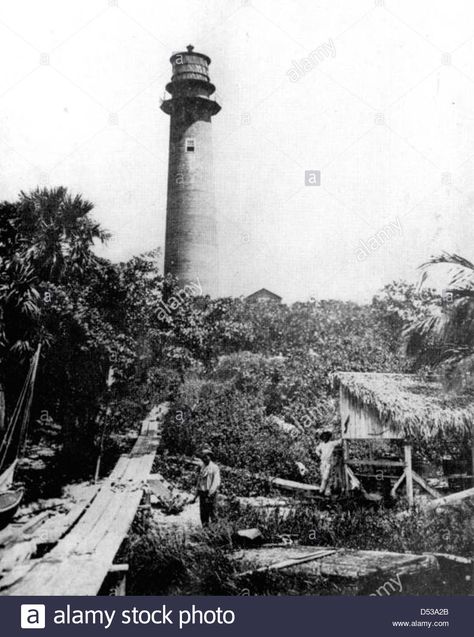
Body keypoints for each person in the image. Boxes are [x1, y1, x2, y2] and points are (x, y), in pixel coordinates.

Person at [193, 446, 221, 526]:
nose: (204, 458)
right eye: (203, 457)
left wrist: (210, 493)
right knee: (203, 514)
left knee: (213, 513)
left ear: (210, 457)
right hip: (202, 493)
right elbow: (199, 481)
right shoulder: (203, 467)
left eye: (206, 456)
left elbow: (216, 482)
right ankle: (205, 531)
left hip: (211, 494)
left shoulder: (214, 468)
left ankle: (215, 532)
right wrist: (196, 495)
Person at [315, 430, 342, 496]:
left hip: (328, 462)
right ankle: (326, 491)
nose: (325, 438)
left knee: (326, 477)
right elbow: (317, 450)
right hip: (322, 462)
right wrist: (319, 455)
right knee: (323, 476)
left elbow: (339, 441)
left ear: (328, 437)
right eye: (323, 436)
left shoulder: (331, 443)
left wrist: (344, 435)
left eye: (326, 436)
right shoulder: (321, 444)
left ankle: (322, 490)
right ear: (322, 438)